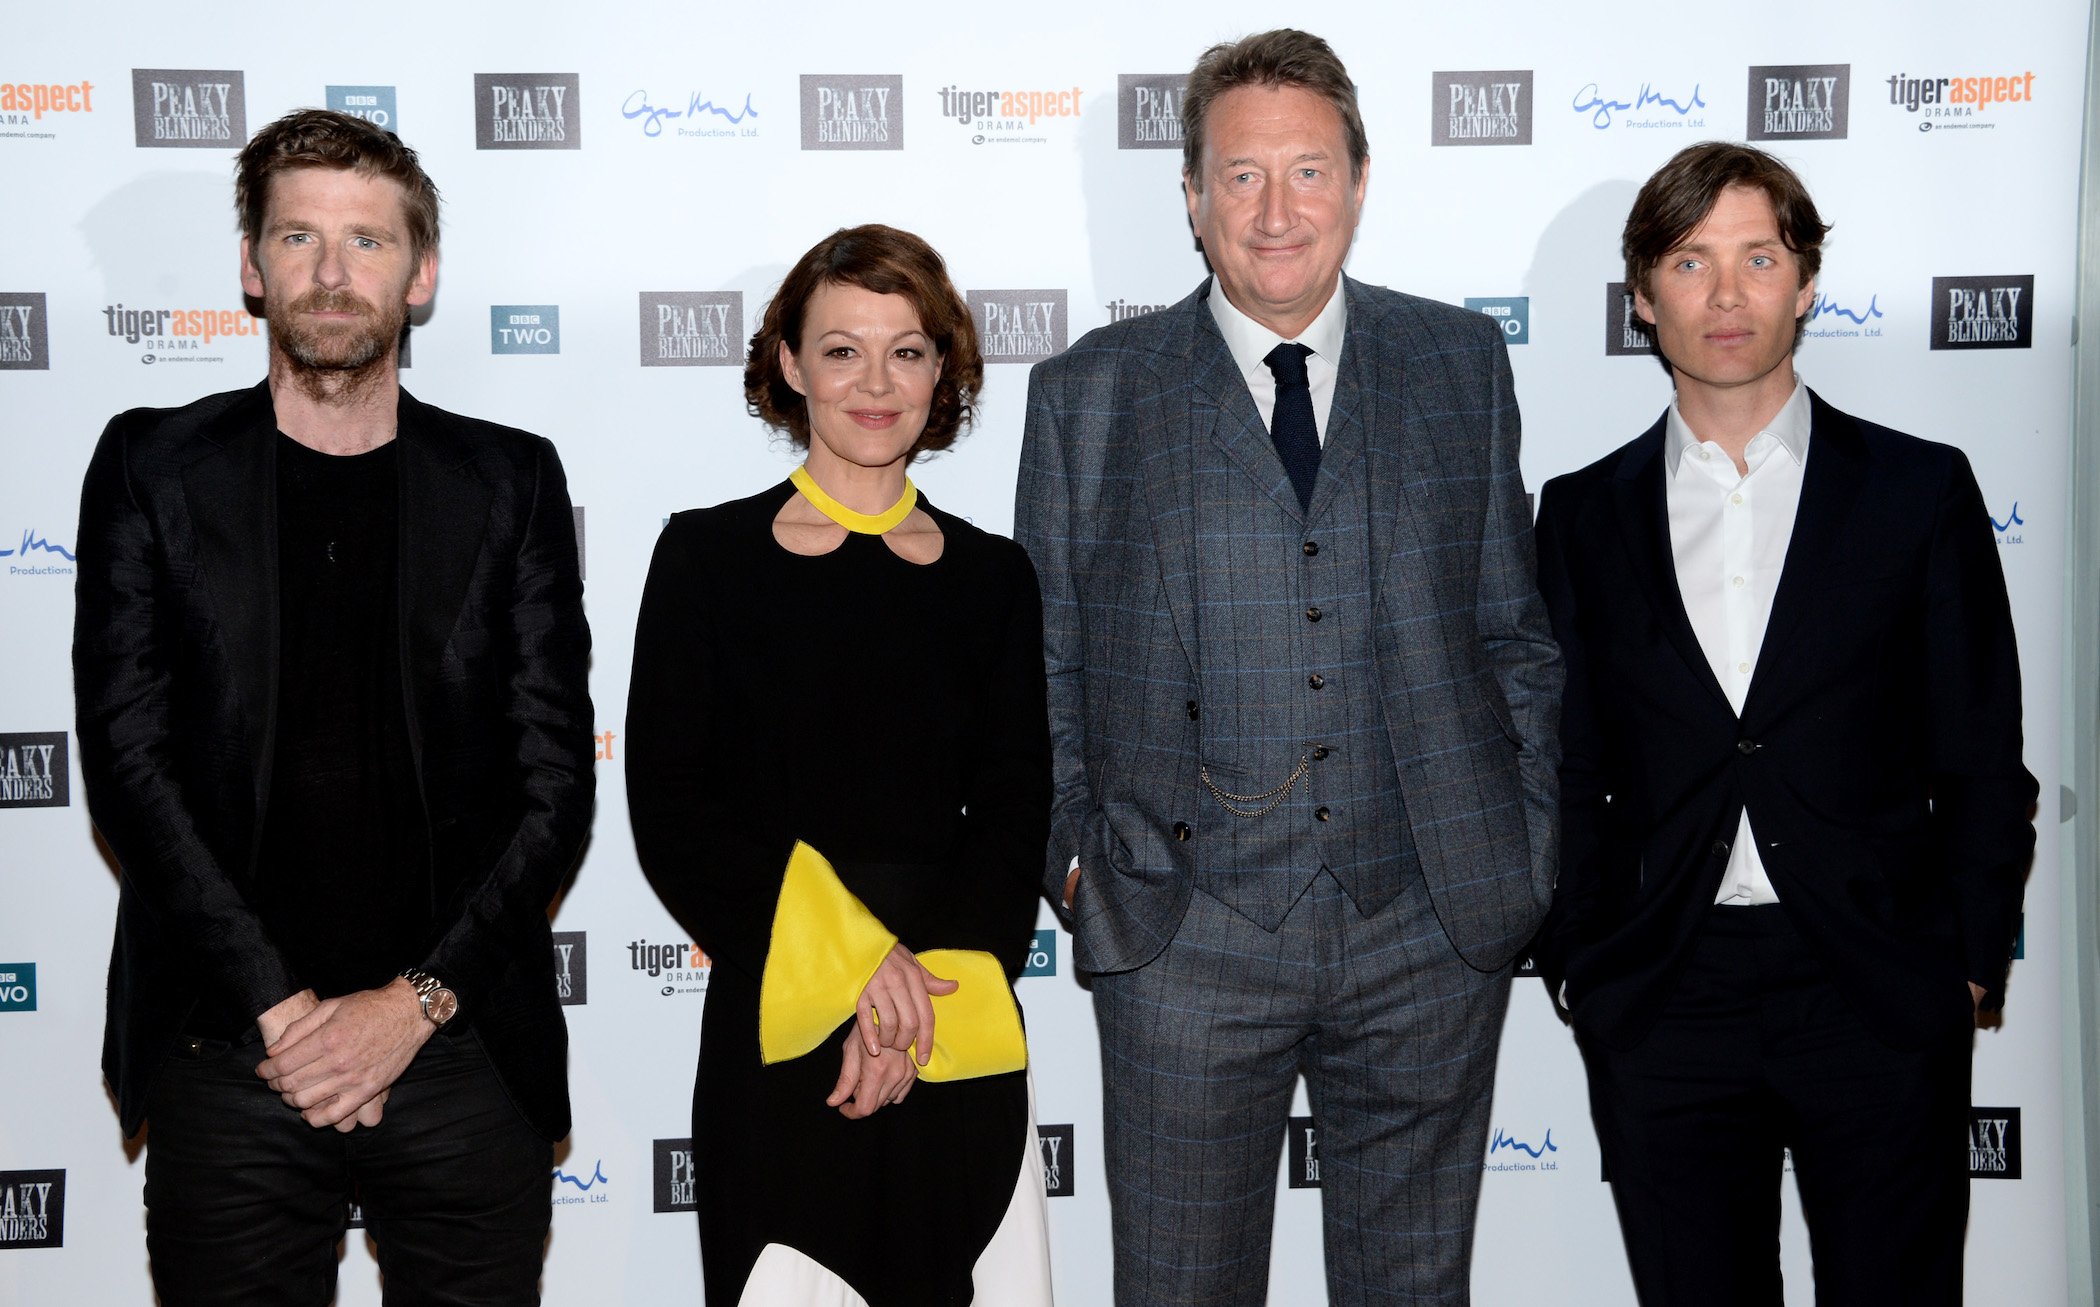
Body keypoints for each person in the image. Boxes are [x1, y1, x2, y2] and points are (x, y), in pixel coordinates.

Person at [1014, 29, 1562, 1306]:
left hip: (1429, 923)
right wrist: (1084, 866)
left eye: (1308, 171)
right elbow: (1045, 661)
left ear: (1360, 184)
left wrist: (1520, 846)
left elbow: (1514, 635)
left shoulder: (1459, 364)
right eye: (1241, 176)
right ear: (1193, 198)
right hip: (1182, 936)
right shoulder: (1089, 394)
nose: (1276, 211)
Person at [72, 108, 594, 1304]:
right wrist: (287, 1009)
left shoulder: (510, 480)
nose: (331, 272)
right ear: (251, 268)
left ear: (422, 274)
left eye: (368, 241)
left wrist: (408, 1008)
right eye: (299, 237)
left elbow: (556, 785)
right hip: (227, 1043)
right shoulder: (152, 469)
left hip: (461, 1045)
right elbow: (129, 765)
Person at [1531, 141, 2036, 1305]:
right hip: (1666, 989)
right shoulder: (1581, 514)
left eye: (1758, 256)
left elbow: (1977, 749)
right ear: (1644, 296)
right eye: (1690, 260)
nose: (1726, 293)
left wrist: (1964, 962)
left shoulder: (1919, 490)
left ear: (1806, 282)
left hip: (1876, 982)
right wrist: (1583, 958)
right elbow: (1568, 762)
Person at [625, 223, 1054, 1307]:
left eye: (907, 350)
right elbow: (673, 808)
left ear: (942, 371)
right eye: (842, 349)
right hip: (782, 1032)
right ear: (788, 363)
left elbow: (1014, 815)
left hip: (955, 1032)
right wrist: (855, 971)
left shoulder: (996, 577)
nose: (876, 382)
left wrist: (915, 1007)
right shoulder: (704, 560)